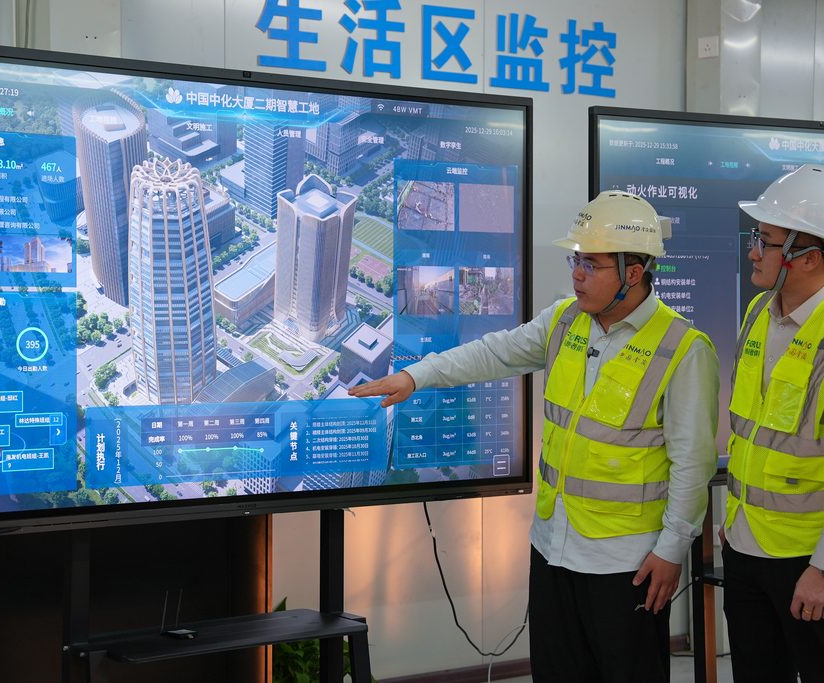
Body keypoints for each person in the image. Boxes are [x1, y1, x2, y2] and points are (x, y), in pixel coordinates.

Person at [350, 191, 719, 682]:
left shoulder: (683, 349)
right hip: (552, 547)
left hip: (626, 562)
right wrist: (417, 376)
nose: (577, 274)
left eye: (591, 264)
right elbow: (494, 353)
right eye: (575, 260)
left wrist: (672, 549)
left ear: (633, 272)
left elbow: (693, 465)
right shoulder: (565, 321)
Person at [722, 163, 824, 682]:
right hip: (743, 544)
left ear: (809, 257)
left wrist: (823, 568)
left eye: (765, 241)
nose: (753, 251)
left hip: (806, 560)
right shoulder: (758, 313)